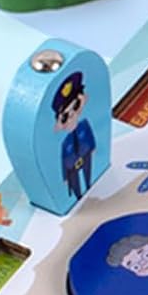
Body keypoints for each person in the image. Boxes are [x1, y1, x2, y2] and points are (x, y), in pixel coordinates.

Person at [54, 72, 95, 202]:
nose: (72, 115)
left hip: (86, 154)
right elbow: (63, 159)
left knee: (88, 174)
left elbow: (90, 135)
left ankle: (89, 186)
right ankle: (78, 196)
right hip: (71, 167)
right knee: (75, 185)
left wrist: (93, 147)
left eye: (76, 105)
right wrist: (65, 176)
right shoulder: (65, 143)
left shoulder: (83, 125)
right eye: (65, 116)